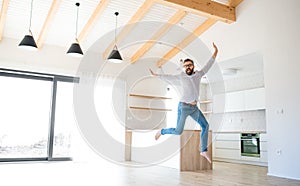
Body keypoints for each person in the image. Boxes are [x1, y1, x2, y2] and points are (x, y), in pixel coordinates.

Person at [149, 43, 218, 163]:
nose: (188, 67)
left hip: (194, 108)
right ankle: (162, 131)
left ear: (193, 66)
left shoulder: (199, 74)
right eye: (186, 66)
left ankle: (203, 150)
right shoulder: (181, 76)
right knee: (178, 131)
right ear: (184, 67)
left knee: (205, 125)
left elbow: (209, 65)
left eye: (189, 65)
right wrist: (156, 75)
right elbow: (168, 77)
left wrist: (215, 52)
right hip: (184, 107)